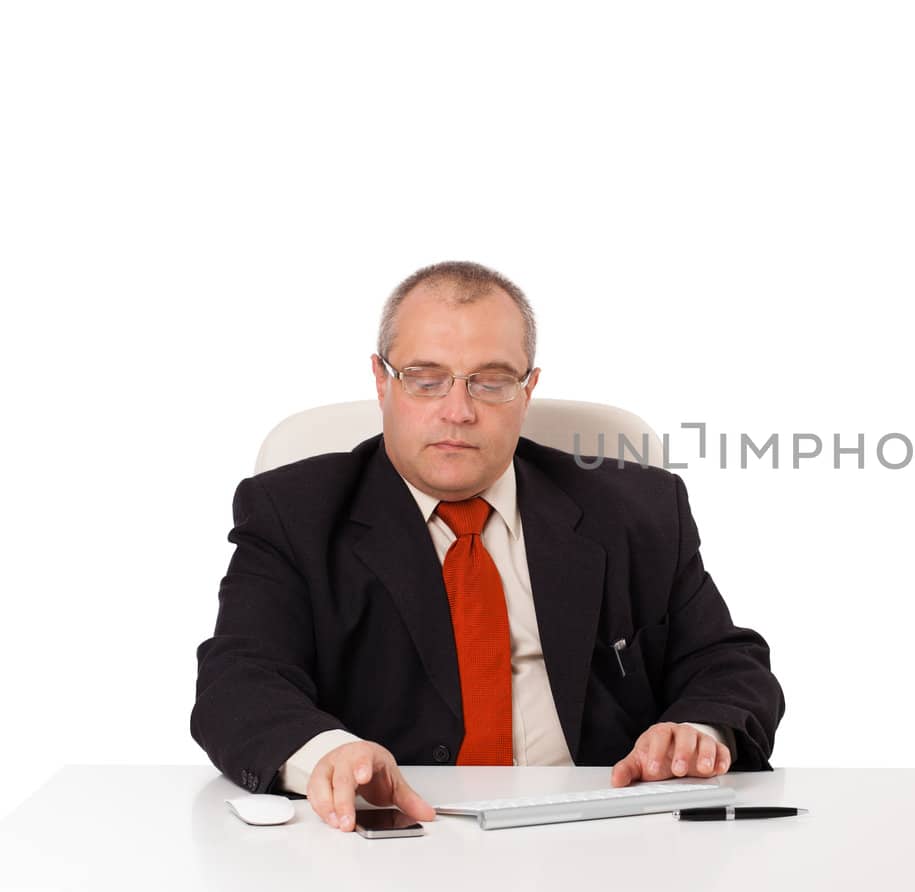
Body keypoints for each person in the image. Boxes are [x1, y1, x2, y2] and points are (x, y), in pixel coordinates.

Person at [191, 261, 784, 833]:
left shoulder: (638, 509)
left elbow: (727, 664)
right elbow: (238, 681)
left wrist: (699, 729)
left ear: (528, 389)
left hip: (605, 834)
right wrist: (330, 756)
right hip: (394, 837)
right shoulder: (294, 512)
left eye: (491, 381)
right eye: (426, 380)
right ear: (381, 381)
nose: (458, 411)